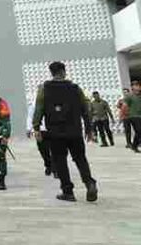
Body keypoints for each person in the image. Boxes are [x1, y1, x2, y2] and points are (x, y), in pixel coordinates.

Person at [32, 61, 98, 202]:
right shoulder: (75, 88)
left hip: (55, 132)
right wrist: (89, 129)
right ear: (64, 71)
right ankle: (89, 183)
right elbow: (85, 109)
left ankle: (68, 191)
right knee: (80, 158)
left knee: (60, 161)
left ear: (51, 73)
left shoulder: (44, 88)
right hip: (75, 131)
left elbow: (39, 108)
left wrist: (36, 127)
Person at [26, 103, 55, 177]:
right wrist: (29, 128)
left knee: (55, 149)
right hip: (39, 129)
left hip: (53, 129)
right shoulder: (34, 104)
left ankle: (55, 169)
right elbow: (30, 116)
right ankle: (48, 164)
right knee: (43, 149)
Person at [123, 80, 141, 153]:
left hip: (140, 116)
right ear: (132, 87)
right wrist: (126, 115)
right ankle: (134, 145)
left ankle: (134, 145)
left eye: (138, 85)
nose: (137, 87)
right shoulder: (129, 96)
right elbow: (124, 106)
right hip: (133, 116)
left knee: (139, 132)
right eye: (135, 85)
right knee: (139, 131)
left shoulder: (139, 96)